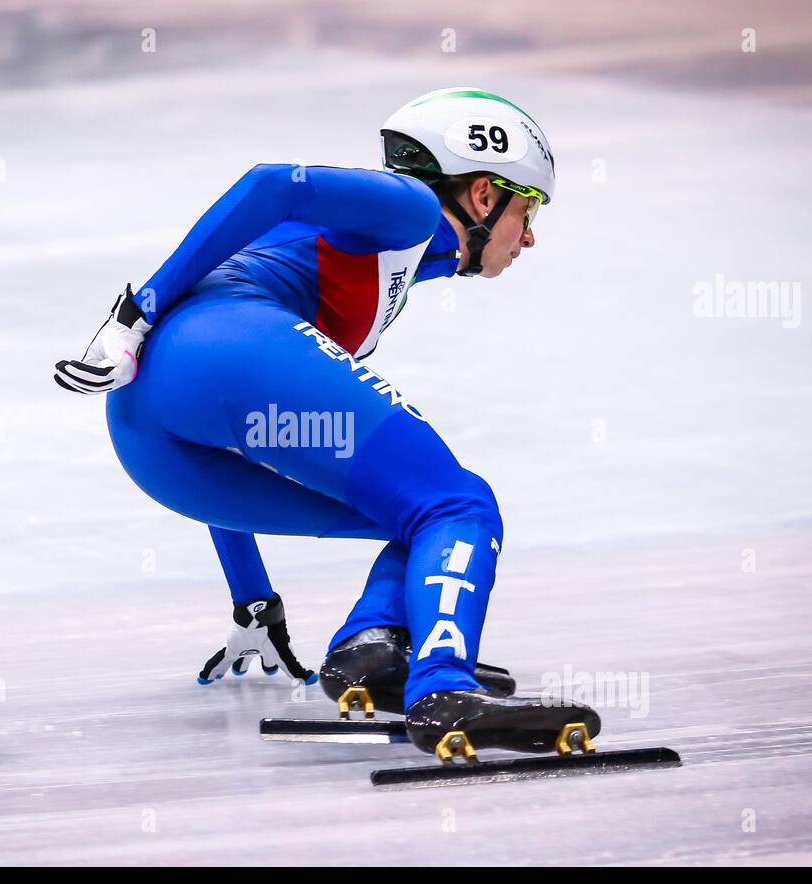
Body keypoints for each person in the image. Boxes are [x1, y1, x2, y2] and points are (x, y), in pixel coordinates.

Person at [56, 88, 599, 754]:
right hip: (216, 342)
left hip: (152, 435)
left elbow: (227, 427)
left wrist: (253, 599)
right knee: (460, 505)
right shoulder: (412, 205)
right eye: (530, 207)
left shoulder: (385, 260)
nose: (532, 236)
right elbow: (270, 184)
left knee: (415, 513)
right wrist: (136, 311)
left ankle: (372, 651)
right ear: (484, 196)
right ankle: (443, 688)